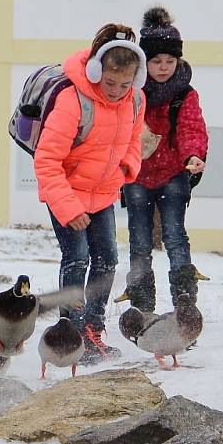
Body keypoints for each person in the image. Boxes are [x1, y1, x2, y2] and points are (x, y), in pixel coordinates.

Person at [34, 23, 146, 365]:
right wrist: (68, 208)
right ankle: (70, 334)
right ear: (97, 70)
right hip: (67, 193)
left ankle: (93, 329)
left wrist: (128, 165)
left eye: (125, 84)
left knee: (108, 259)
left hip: (103, 195)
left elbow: (133, 140)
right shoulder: (73, 101)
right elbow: (47, 160)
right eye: (110, 82)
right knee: (77, 258)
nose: (116, 91)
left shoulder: (136, 99)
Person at [121, 7, 208, 311]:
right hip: (136, 176)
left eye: (170, 61)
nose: (163, 67)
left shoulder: (185, 94)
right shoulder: (130, 92)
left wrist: (194, 154)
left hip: (173, 174)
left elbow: (191, 128)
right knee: (140, 242)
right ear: (144, 62)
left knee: (174, 236)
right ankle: (142, 307)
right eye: (156, 61)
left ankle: (185, 304)